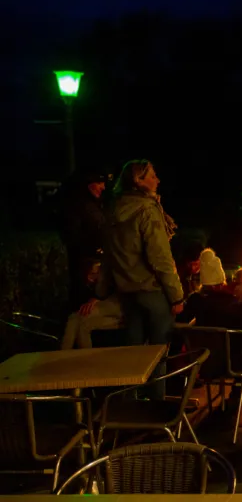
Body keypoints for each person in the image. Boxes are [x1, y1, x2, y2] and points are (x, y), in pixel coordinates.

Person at [97, 159, 184, 400]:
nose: (157, 180)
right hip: (152, 290)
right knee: (159, 353)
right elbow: (160, 257)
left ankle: (129, 406)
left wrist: (101, 290)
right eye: (152, 176)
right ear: (139, 180)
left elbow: (109, 255)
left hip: (127, 291)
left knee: (133, 354)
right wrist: (176, 295)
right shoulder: (146, 210)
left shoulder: (114, 210)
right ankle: (156, 409)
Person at [61, 170, 107, 310]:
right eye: (99, 182)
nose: (103, 187)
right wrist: (93, 252)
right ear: (89, 184)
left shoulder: (95, 205)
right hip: (85, 268)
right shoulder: (77, 206)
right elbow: (73, 236)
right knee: (82, 305)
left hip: (92, 266)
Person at [61, 259, 122, 350]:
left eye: (94, 273)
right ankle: (63, 355)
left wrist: (99, 298)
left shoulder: (112, 268)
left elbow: (104, 291)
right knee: (75, 319)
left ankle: (80, 358)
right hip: (109, 306)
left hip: (119, 305)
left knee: (82, 319)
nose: (91, 277)